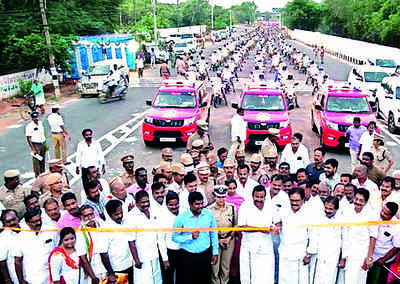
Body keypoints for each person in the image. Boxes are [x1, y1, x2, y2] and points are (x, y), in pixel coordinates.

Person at [172, 191, 219, 284]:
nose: (200, 206)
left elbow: (213, 233)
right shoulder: (181, 218)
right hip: (188, 257)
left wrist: (215, 252)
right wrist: (190, 237)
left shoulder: (208, 214)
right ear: (190, 204)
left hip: (205, 255)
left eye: (201, 203)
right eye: (197, 204)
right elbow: (175, 237)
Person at [238, 185, 276, 284]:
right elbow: (241, 227)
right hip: (249, 247)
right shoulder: (245, 206)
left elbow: (277, 222)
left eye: (261, 197)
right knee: (248, 276)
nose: (259, 199)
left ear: (265, 197)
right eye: (256, 197)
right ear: (252, 196)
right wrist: (260, 229)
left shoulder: (270, 206)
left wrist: (276, 227)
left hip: (266, 246)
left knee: (266, 275)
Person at [339, 188, 377, 284]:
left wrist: (369, 258)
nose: (357, 203)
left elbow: (373, 237)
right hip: (348, 253)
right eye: (356, 199)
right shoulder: (347, 210)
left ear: (366, 201)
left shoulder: (372, 214)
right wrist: (343, 257)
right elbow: (345, 234)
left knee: (359, 280)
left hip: (361, 255)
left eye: (361, 201)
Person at [127, 190, 165, 284]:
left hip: (154, 255)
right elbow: (131, 241)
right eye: (143, 202)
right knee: (144, 281)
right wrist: (136, 260)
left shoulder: (152, 211)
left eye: (147, 201)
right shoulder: (131, 216)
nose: (146, 204)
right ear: (136, 203)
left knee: (157, 280)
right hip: (142, 257)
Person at [13, 208, 58, 284]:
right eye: (34, 222)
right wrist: (21, 280)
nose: (38, 223)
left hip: (53, 277)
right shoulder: (20, 238)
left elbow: (59, 250)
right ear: (27, 223)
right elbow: (17, 261)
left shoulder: (51, 230)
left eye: (39, 220)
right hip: (33, 279)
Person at [279, 187, 312, 284]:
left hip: (300, 255)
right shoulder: (283, 211)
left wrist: (308, 254)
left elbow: (313, 235)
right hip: (285, 252)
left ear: (303, 199)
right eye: (292, 200)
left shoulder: (309, 213)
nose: (294, 203)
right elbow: (277, 224)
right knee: (284, 279)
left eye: (297, 200)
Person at [310, 196, 343, 284]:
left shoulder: (341, 221)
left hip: (333, 257)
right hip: (319, 256)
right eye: (326, 208)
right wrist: (310, 253)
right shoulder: (318, 218)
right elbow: (314, 236)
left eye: (330, 209)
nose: (327, 211)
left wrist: (343, 258)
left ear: (336, 209)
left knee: (330, 279)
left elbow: (344, 240)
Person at [209, 186, 237, 284]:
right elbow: (208, 229)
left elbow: (235, 225)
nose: (221, 199)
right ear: (214, 196)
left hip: (229, 240)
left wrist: (230, 238)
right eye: (218, 197)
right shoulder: (209, 209)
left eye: (223, 197)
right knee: (214, 266)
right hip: (215, 240)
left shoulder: (232, 208)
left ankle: (225, 282)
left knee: (226, 266)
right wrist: (217, 240)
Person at [367, 202, 400, 284]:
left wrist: (383, 259)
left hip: (382, 261)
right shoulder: (376, 216)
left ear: (391, 216)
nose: (381, 214)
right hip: (370, 256)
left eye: (385, 213)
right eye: (382, 210)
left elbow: (396, 247)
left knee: (377, 281)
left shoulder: (397, 227)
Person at [75, 205, 110, 283]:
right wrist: (93, 277)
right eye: (86, 216)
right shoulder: (80, 234)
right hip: (95, 270)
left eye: (91, 214)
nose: (90, 218)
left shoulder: (100, 222)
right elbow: (83, 259)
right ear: (81, 217)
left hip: (109, 265)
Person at [102, 200, 134, 283]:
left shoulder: (124, 222)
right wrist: (111, 273)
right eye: (116, 214)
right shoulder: (105, 229)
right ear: (109, 214)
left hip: (130, 264)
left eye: (121, 213)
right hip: (118, 269)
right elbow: (104, 254)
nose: (120, 216)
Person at [159, 191, 181, 284]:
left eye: (176, 204)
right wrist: (165, 259)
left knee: (182, 277)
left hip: (182, 251)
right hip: (170, 252)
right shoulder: (163, 217)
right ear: (166, 204)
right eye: (171, 205)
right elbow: (161, 240)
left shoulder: (183, 213)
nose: (174, 207)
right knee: (168, 278)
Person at [0, 209, 20, 284]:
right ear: (4, 224)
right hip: (16, 277)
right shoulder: (2, 238)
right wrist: (8, 280)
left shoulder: (27, 229)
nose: (12, 223)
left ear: (18, 218)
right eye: (8, 221)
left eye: (13, 219)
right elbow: (2, 262)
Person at [26, 111, 47, 176]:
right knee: (36, 162)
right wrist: (33, 149)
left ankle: (43, 173)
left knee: (42, 160)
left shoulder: (40, 123)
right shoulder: (29, 126)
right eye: (34, 118)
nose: (36, 119)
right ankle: (37, 176)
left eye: (37, 117)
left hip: (42, 144)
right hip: (36, 145)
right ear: (32, 119)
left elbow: (43, 134)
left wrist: (45, 144)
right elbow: (28, 138)